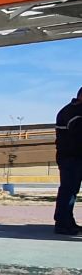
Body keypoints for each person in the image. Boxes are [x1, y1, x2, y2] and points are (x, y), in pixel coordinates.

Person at [54, 86, 82, 236]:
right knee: (69, 190)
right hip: (71, 157)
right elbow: (78, 138)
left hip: (71, 156)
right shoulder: (75, 113)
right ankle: (62, 224)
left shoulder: (71, 110)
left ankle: (67, 221)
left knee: (70, 190)